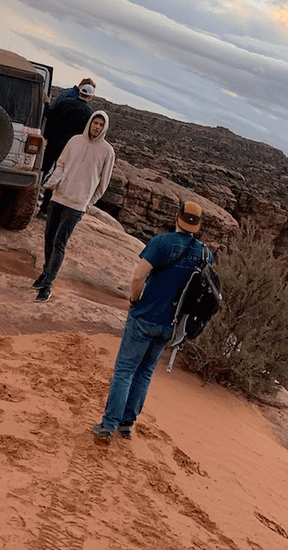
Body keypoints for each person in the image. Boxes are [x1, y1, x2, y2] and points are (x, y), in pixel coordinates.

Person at [92, 201, 211, 442]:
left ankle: (108, 425)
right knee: (145, 372)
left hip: (145, 316)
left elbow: (139, 275)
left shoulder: (161, 242)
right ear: (197, 225)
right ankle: (127, 424)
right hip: (171, 325)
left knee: (125, 370)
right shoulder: (206, 254)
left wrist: (134, 300)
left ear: (176, 217)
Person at [33, 110, 114, 302]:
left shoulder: (107, 151)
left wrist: (87, 202)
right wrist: (55, 181)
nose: (97, 127)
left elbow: (103, 184)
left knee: (60, 242)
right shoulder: (75, 141)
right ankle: (46, 272)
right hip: (59, 197)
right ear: (90, 123)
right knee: (49, 238)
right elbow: (60, 164)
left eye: (101, 125)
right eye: (95, 123)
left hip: (77, 205)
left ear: (105, 128)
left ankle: (47, 284)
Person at [38, 80, 96, 217]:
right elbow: (85, 135)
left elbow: (48, 114)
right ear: (90, 97)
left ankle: (29, 197)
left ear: (80, 92)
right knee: (56, 176)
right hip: (68, 149)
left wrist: (46, 102)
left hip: (52, 143)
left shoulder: (65, 102)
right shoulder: (88, 113)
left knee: (42, 170)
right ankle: (44, 209)